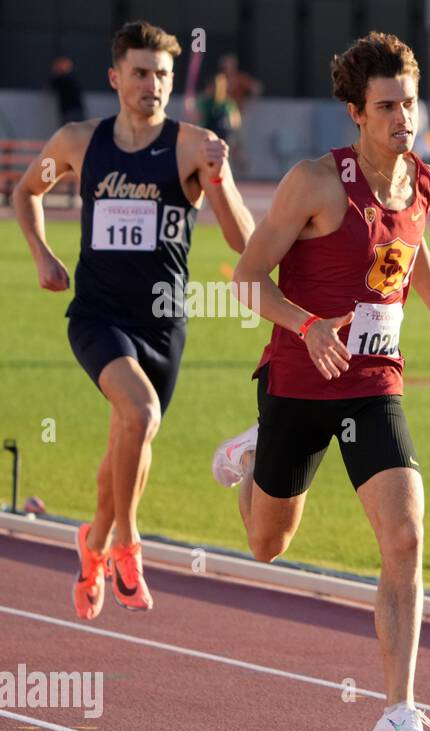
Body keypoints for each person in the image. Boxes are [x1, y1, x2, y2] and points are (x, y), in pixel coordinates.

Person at [213, 32, 430, 731]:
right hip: (298, 381)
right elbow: (246, 277)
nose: (405, 116)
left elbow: (416, 245)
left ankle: (399, 708)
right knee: (266, 544)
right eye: (388, 106)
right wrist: (306, 326)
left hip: (374, 385)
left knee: (404, 534)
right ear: (356, 113)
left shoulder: (423, 182)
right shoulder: (315, 183)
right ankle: (252, 458)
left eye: (410, 101)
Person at [13, 21, 254, 620]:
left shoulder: (192, 145)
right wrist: (43, 255)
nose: (153, 85)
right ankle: (127, 543)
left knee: (130, 436)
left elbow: (243, 240)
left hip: (164, 324)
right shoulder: (77, 141)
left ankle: (91, 543)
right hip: (96, 314)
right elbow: (26, 193)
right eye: (141, 73)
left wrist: (219, 178)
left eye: (163, 75)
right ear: (116, 77)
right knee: (140, 413)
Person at [49, 57, 85, 126]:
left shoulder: (65, 78)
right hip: (72, 110)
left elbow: (51, 86)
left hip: (71, 111)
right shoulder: (68, 78)